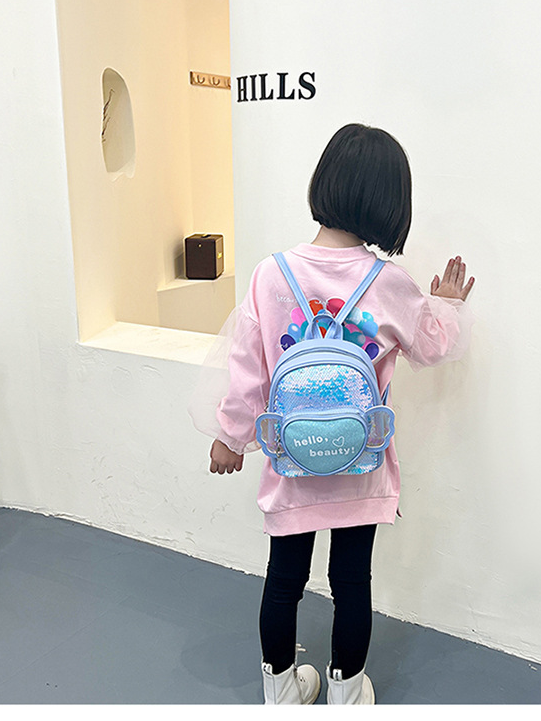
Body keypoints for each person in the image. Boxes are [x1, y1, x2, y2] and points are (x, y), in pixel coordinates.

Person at [189, 123, 475, 705]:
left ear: (324, 184)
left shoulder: (271, 274)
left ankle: (280, 695)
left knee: (283, 581)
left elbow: (248, 370)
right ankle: (346, 696)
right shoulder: (389, 283)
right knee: (351, 582)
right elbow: (433, 346)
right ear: (390, 203)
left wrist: (230, 438)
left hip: (291, 463)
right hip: (359, 465)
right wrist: (445, 303)